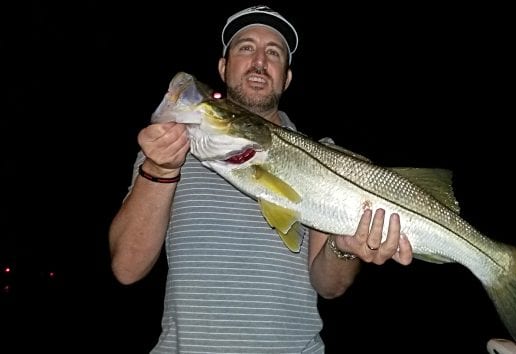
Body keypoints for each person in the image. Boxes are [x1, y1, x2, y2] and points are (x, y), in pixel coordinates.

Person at [108, 5, 414, 353]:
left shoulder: (330, 158)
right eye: (245, 47)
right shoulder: (167, 154)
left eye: (273, 52)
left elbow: (330, 287)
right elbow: (127, 269)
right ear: (223, 67)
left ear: (286, 78)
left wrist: (344, 250)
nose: (259, 61)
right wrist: (161, 171)